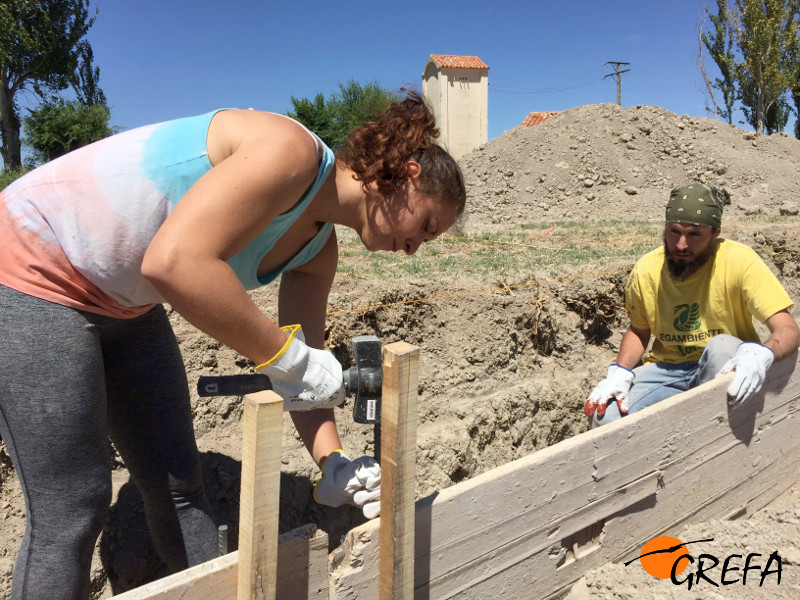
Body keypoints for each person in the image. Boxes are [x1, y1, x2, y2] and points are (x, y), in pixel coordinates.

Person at [0, 89, 466, 599]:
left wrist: (335, 465)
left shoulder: (317, 252)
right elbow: (174, 263)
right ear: (409, 176)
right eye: (424, 225)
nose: (414, 248)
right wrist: (290, 359)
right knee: (72, 507)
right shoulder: (290, 151)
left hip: (125, 304)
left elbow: (301, 376)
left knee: (181, 487)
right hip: (32, 261)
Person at [584, 182, 799, 428]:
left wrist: (764, 353)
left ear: (715, 233)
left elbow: (787, 329)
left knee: (721, 346)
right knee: (605, 416)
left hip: (723, 367)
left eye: (695, 234)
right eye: (674, 231)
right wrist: (620, 370)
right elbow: (639, 330)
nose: (681, 244)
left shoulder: (740, 261)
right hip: (666, 370)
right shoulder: (646, 270)